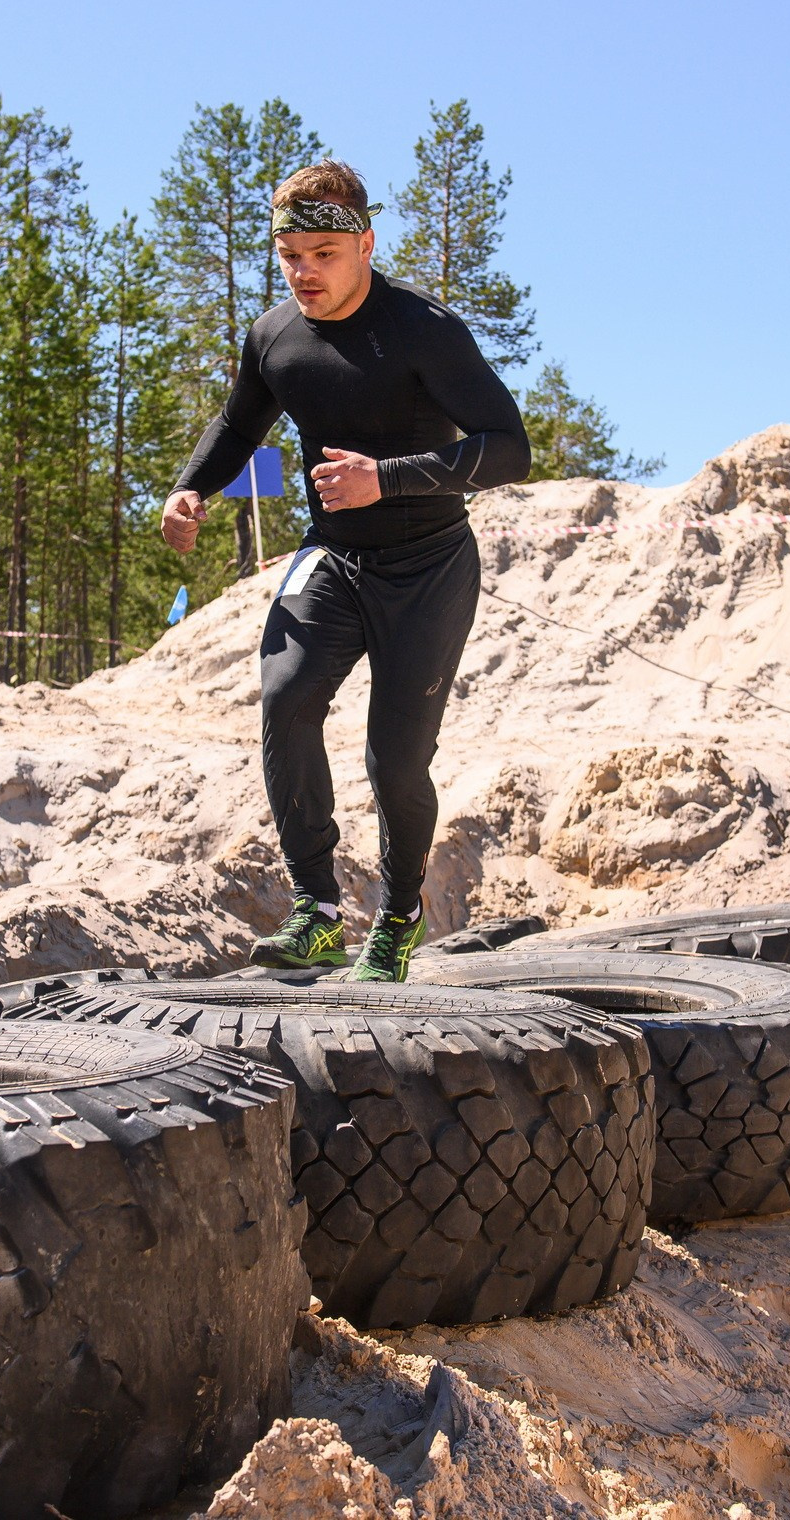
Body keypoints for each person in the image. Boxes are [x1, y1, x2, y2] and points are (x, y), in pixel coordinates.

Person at [161, 161, 531, 981]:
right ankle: (317, 911)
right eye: (290, 255)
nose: (305, 273)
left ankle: (398, 917)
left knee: (393, 760)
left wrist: (386, 476)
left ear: (365, 244)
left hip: (429, 565)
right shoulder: (275, 338)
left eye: (324, 253)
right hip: (331, 557)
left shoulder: (422, 330)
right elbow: (236, 424)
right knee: (285, 697)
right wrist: (192, 489)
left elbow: (511, 449)